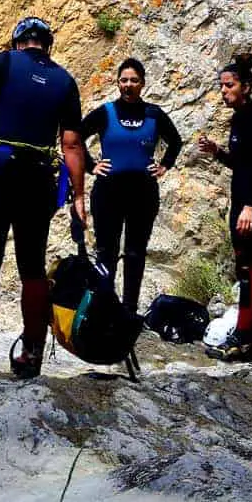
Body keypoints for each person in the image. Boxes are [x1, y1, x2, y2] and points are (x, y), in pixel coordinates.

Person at [0, 16, 87, 379]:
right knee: (33, 267)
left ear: (18, 40)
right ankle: (31, 357)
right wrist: (80, 197)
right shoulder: (65, 80)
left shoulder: (3, 61)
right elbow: (71, 144)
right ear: (47, 45)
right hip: (38, 175)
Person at [81, 58, 183, 312]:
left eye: (134, 80)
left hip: (143, 194)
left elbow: (176, 141)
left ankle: (129, 310)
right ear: (117, 83)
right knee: (107, 253)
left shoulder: (154, 114)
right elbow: (74, 137)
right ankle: (104, 308)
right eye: (124, 80)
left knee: (135, 254)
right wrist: (90, 165)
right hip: (108, 193)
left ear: (143, 84)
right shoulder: (105, 112)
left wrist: (164, 165)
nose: (128, 85)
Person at [199, 53, 252, 361]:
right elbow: (240, 164)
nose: (223, 91)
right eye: (221, 86)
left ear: (245, 87)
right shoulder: (239, 119)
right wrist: (217, 150)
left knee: (248, 265)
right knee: (247, 262)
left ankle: (248, 335)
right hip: (244, 199)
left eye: (229, 85)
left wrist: (249, 206)